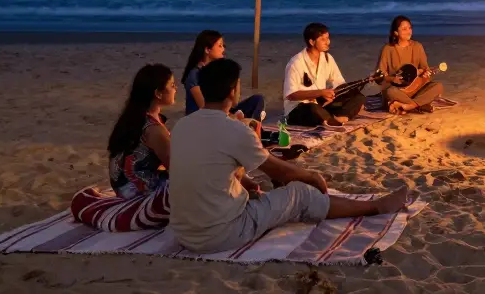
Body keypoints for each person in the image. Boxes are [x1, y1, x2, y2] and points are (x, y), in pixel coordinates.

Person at [168, 58, 409, 253]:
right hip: (222, 234)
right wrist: (311, 176)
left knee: (261, 191)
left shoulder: (181, 126)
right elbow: (279, 170)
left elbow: (212, 167)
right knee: (299, 194)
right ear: (233, 91)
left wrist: (246, 182)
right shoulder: (234, 129)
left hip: (184, 234)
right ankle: (374, 207)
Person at [107, 64, 175, 198]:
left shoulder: (134, 117)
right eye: (172, 85)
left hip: (122, 186)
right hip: (138, 192)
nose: (176, 89)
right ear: (158, 93)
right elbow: (175, 167)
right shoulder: (153, 129)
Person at [283, 22, 366, 127]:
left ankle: (340, 118)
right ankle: (330, 120)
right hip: (299, 108)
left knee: (358, 97)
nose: (328, 42)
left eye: (328, 38)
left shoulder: (327, 58)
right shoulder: (296, 63)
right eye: (323, 39)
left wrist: (334, 95)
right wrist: (320, 93)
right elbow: (291, 95)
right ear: (312, 42)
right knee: (312, 108)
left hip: (321, 104)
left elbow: (339, 82)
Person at [181, 30, 266, 127]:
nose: (223, 49)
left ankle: (251, 126)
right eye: (220, 46)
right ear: (207, 50)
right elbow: (204, 107)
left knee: (257, 100)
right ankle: (250, 127)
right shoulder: (194, 74)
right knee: (245, 119)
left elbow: (233, 103)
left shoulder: (217, 71)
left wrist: (235, 81)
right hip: (202, 119)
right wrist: (233, 117)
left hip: (220, 111)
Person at [378, 16, 445, 114]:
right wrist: (393, 79)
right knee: (390, 92)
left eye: (410, 28)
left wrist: (425, 73)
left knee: (438, 86)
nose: (408, 31)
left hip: (415, 88)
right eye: (404, 29)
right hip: (398, 91)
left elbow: (425, 68)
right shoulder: (388, 49)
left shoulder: (417, 46)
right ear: (396, 32)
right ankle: (418, 105)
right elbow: (381, 75)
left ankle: (408, 106)